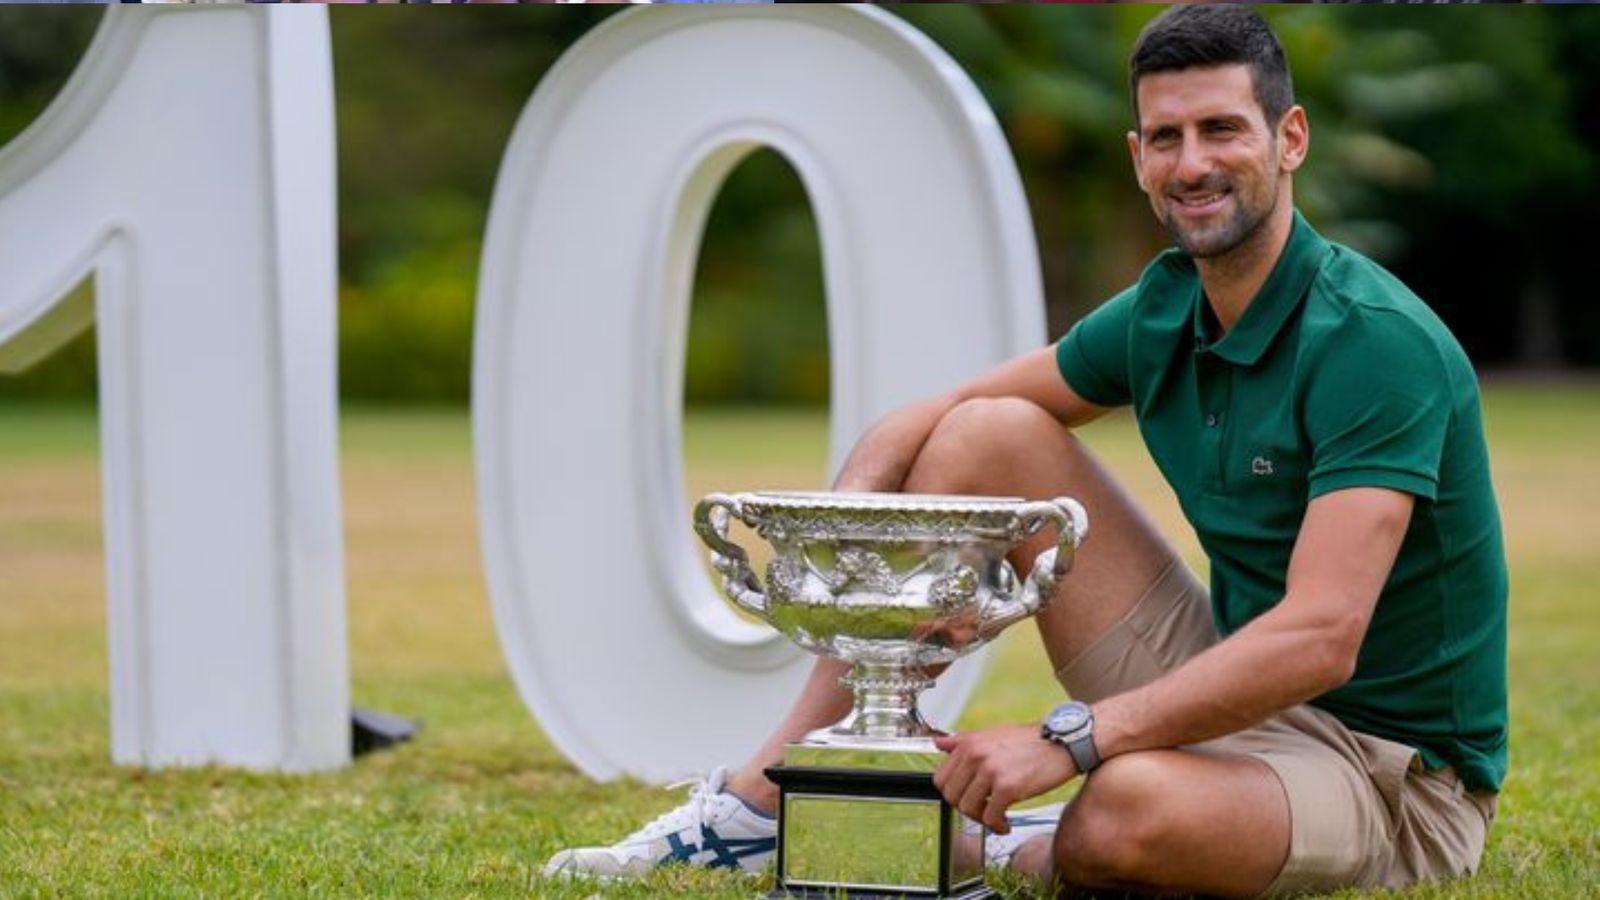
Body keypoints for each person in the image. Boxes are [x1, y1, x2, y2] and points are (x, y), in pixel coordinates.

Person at [542, 5, 1507, 896]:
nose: (1192, 164)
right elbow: (940, 416)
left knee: (1123, 813)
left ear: (1289, 139)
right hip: (1232, 682)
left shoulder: (1372, 343)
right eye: (1165, 137)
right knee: (986, 433)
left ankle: (1015, 841)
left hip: (1384, 773)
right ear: (1137, 157)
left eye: (1222, 130)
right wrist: (849, 546)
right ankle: (766, 800)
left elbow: (1321, 637)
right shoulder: (1168, 304)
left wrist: (1069, 739)